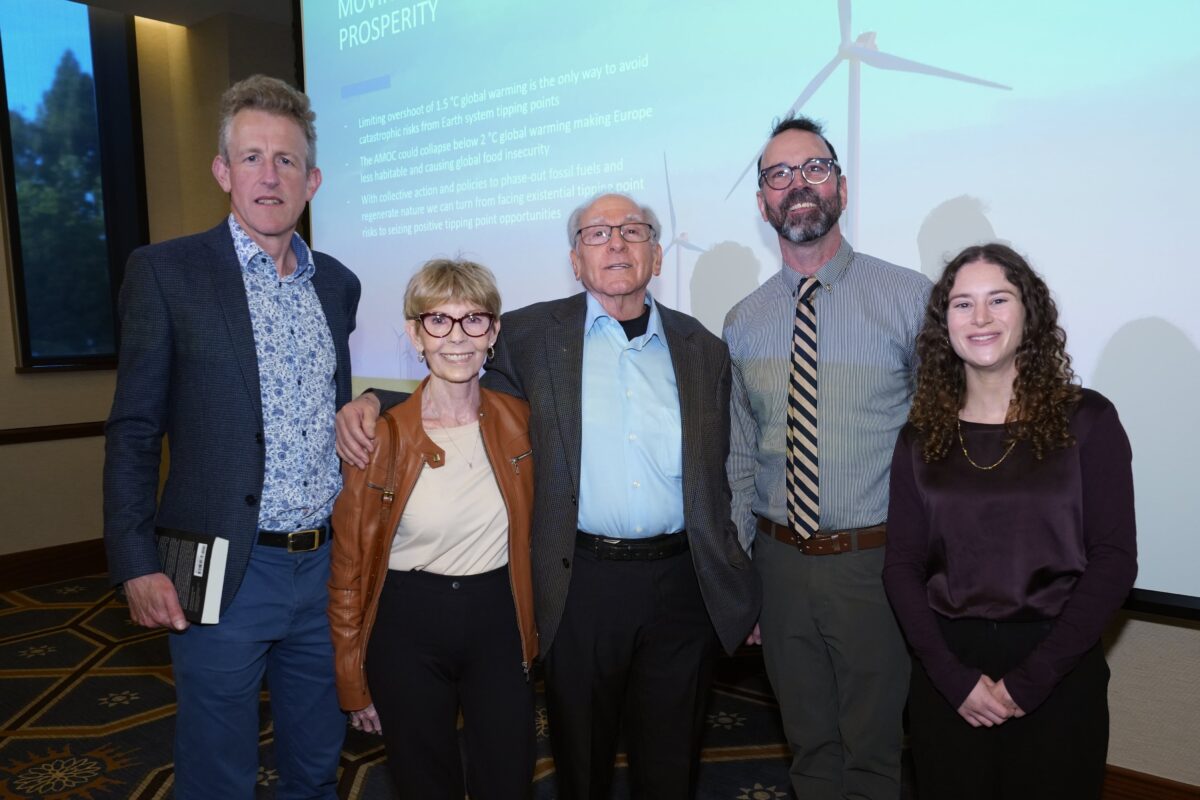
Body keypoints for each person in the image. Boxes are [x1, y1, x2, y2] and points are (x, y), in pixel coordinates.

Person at [337, 193, 760, 799]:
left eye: (632, 231)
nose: (616, 243)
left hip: (682, 587)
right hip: (579, 581)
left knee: (671, 765)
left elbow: (730, 467)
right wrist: (372, 401)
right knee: (579, 763)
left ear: (658, 255)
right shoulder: (533, 336)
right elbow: (455, 381)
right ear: (575, 260)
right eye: (597, 234)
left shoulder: (703, 349)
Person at [103, 75, 358, 799]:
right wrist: (135, 562)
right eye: (251, 157)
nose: (268, 176)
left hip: (325, 566)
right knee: (217, 769)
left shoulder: (336, 284)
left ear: (312, 180)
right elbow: (133, 429)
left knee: (316, 761)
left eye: (285, 161)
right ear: (223, 171)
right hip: (210, 562)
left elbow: (332, 408)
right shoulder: (166, 273)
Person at [723, 114, 930, 799]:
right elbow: (740, 460)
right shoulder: (743, 321)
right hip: (778, 568)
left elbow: (941, 446)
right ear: (763, 202)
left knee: (873, 755)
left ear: (840, 185)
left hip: (871, 564)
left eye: (813, 168)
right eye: (779, 175)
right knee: (808, 750)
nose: (797, 185)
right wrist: (745, 579)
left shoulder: (908, 299)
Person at [882, 243, 1137, 799]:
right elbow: (900, 567)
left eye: (998, 299)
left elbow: (1114, 562)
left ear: (1029, 312)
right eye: (961, 304)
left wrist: (1032, 680)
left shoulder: (1089, 421)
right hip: (947, 678)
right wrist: (952, 679)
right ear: (942, 323)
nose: (980, 318)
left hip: (1060, 672)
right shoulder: (919, 438)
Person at [328, 258, 537, 799]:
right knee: (424, 783)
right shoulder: (378, 438)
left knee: (507, 776)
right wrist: (352, 678)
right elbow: (349, 566)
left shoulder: (521, 419)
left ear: (493, 332)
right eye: (438, 321)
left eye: (473, 320)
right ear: (414, 334)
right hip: (406, 627)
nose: (456, 337)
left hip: (499, 619)